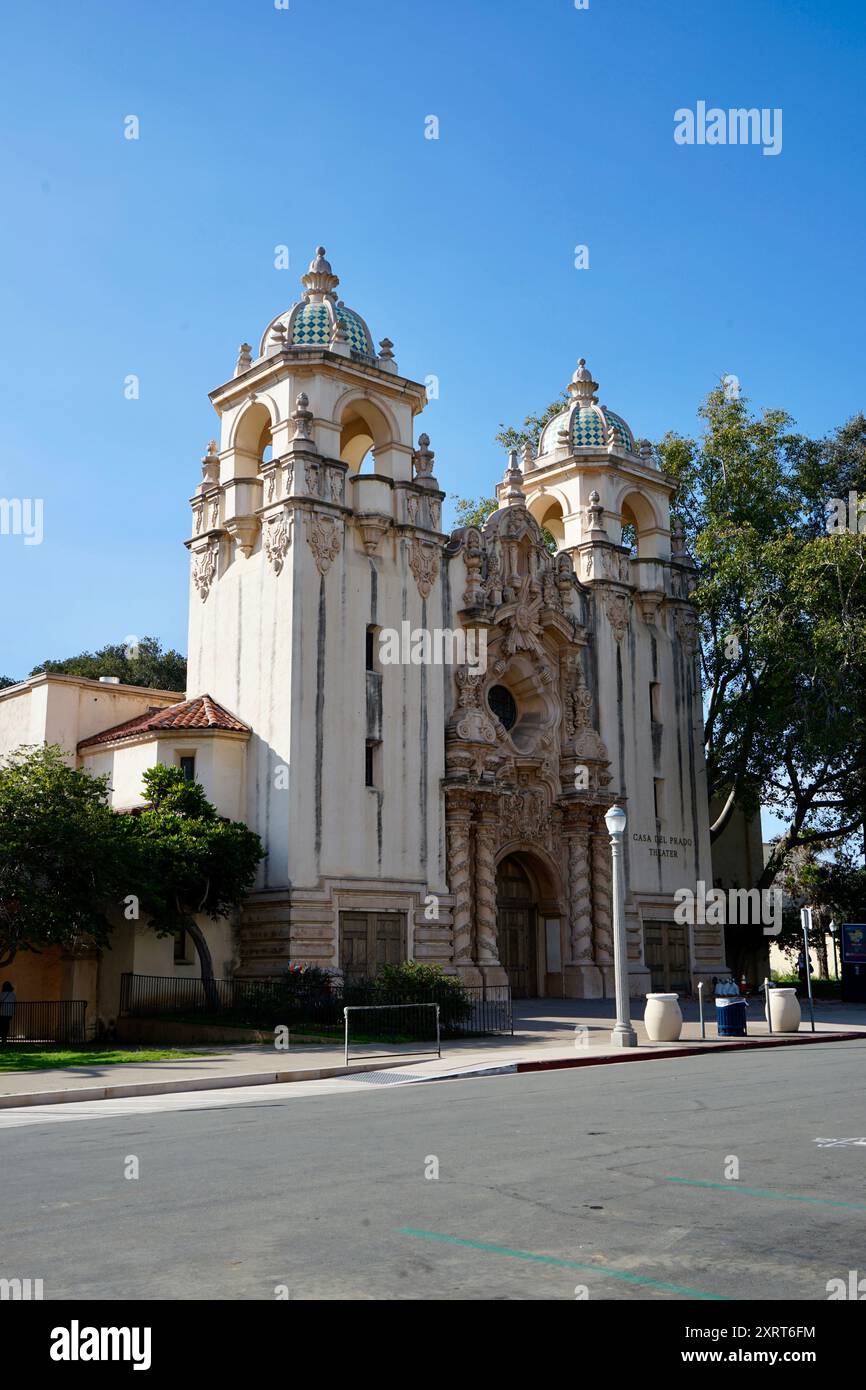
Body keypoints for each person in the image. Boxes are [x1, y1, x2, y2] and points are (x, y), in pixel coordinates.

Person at [0, 981, 15, 1045]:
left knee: (3, 1026)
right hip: (9, 1012)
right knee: (6, 1026)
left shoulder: (2, 994)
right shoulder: (13, 994)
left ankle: (3, 1039)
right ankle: (5, 1039)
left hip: (3, 1012)